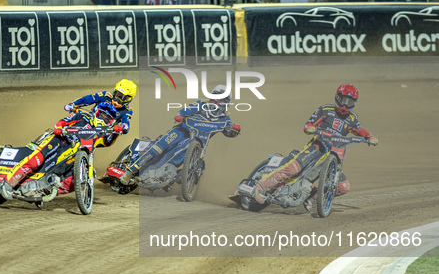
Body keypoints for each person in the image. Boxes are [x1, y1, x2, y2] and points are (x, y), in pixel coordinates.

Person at [248, 84, 378, 211]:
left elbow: (360, 130)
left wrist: (369, 136)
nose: (345, 105)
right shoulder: (325, 109)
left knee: (343, 186)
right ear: (337, 98)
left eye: (349, 102)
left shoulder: (352, 118)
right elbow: (309, 124)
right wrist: (310, 128)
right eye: (343, 100)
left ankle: (311, 196)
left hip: (333, 156)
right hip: (316, 147)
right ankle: (262, 186)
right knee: (292, 169)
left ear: (354, 103)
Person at [120, 85, 241, 185]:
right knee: (158, 148)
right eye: (217, 98)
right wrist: (180, 116)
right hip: (181, 132)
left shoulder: (225, 119)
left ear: (227, 103)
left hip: (196, 143)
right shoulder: (201, 104)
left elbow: (229, 132)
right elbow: (184, 110)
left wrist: (234, 131)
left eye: (223, 100)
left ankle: (163, 176)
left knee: (175, 157)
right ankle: (130, 171)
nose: (219, 102)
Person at [0, 102, 120, 200]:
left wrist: (117, 132)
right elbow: (63, 121)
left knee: (74, 182)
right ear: (95, 113)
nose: (103, 120)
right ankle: (7, 184)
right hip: (57, 141)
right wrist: (59, 127)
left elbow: (107, 142)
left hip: (70, 158)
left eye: (107, 119)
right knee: (36, 161)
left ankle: (41, 191)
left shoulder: (99, 134)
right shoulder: (82, 116)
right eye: (101, 115)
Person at [64, 79, 137, 135]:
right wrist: (73, 104)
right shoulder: (105, 95)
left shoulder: (127, 111)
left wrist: (124, 126)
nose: (118, 100)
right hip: (91, 119)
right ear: (114, 92)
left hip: (104, 131)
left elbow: (126, 122)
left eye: (124, 98)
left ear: (129, 100)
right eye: (118, 95)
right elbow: (88, 99)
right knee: (75, 115)